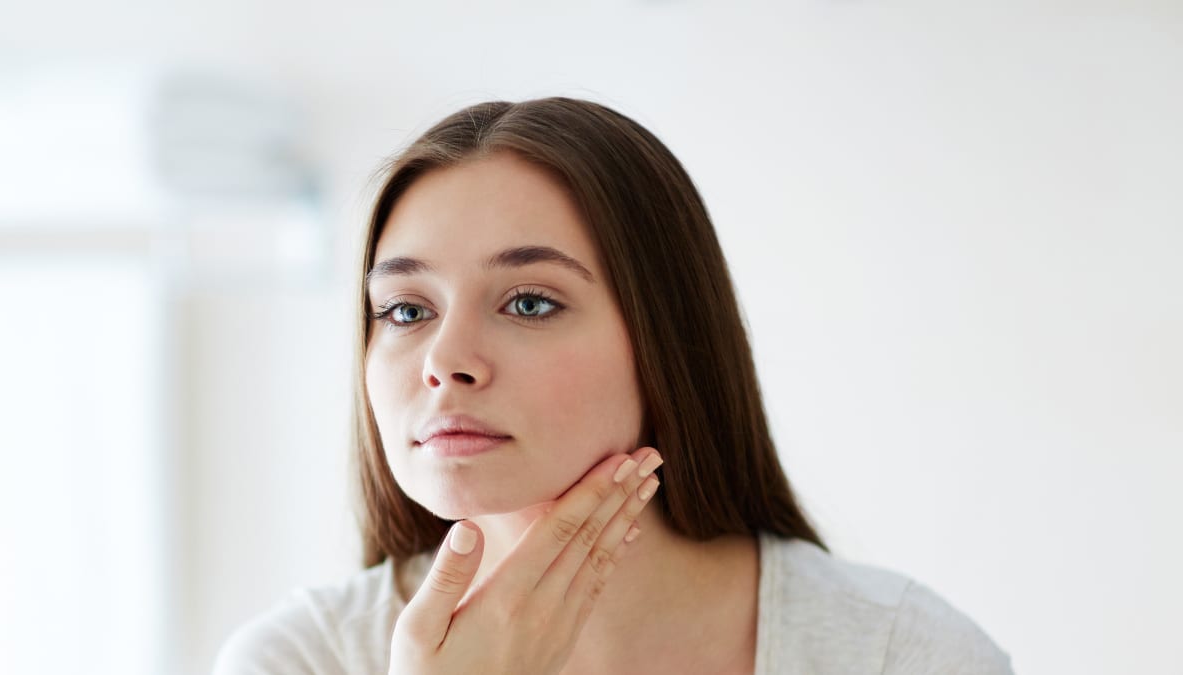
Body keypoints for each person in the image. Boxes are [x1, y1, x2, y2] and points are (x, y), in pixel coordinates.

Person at [213, 96, 1014, 674]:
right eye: (405, 308)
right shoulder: (294, 661)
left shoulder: (900, 654)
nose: (444, 358)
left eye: (529, 302)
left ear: (668, 342)